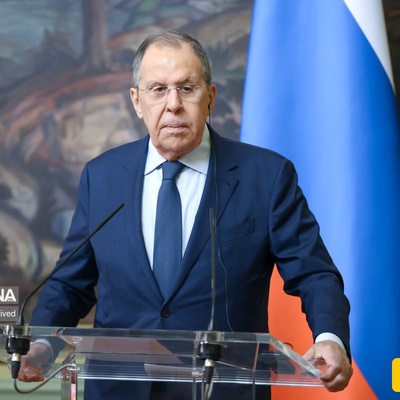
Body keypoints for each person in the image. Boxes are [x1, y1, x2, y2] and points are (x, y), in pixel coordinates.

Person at [18, 31, 352, 399]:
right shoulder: (102, 176)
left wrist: (329, 337)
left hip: (223, 390)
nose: (173, 104)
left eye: (187, 88)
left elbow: (314, 273)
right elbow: (70, 283)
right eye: (158, 89)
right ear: (137, 101)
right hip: (119, 389)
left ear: (210, 98)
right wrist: (43, 343)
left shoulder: (266, 176)